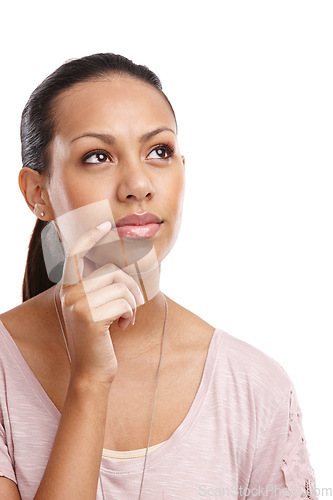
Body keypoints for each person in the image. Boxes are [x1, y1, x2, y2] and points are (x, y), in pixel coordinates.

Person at [0, 53, 318, 500]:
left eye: (158, 151)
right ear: (38, 194)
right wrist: (89, 382)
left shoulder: (255, 388)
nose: (138, 183)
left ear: (182, 169)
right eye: (97, 156)